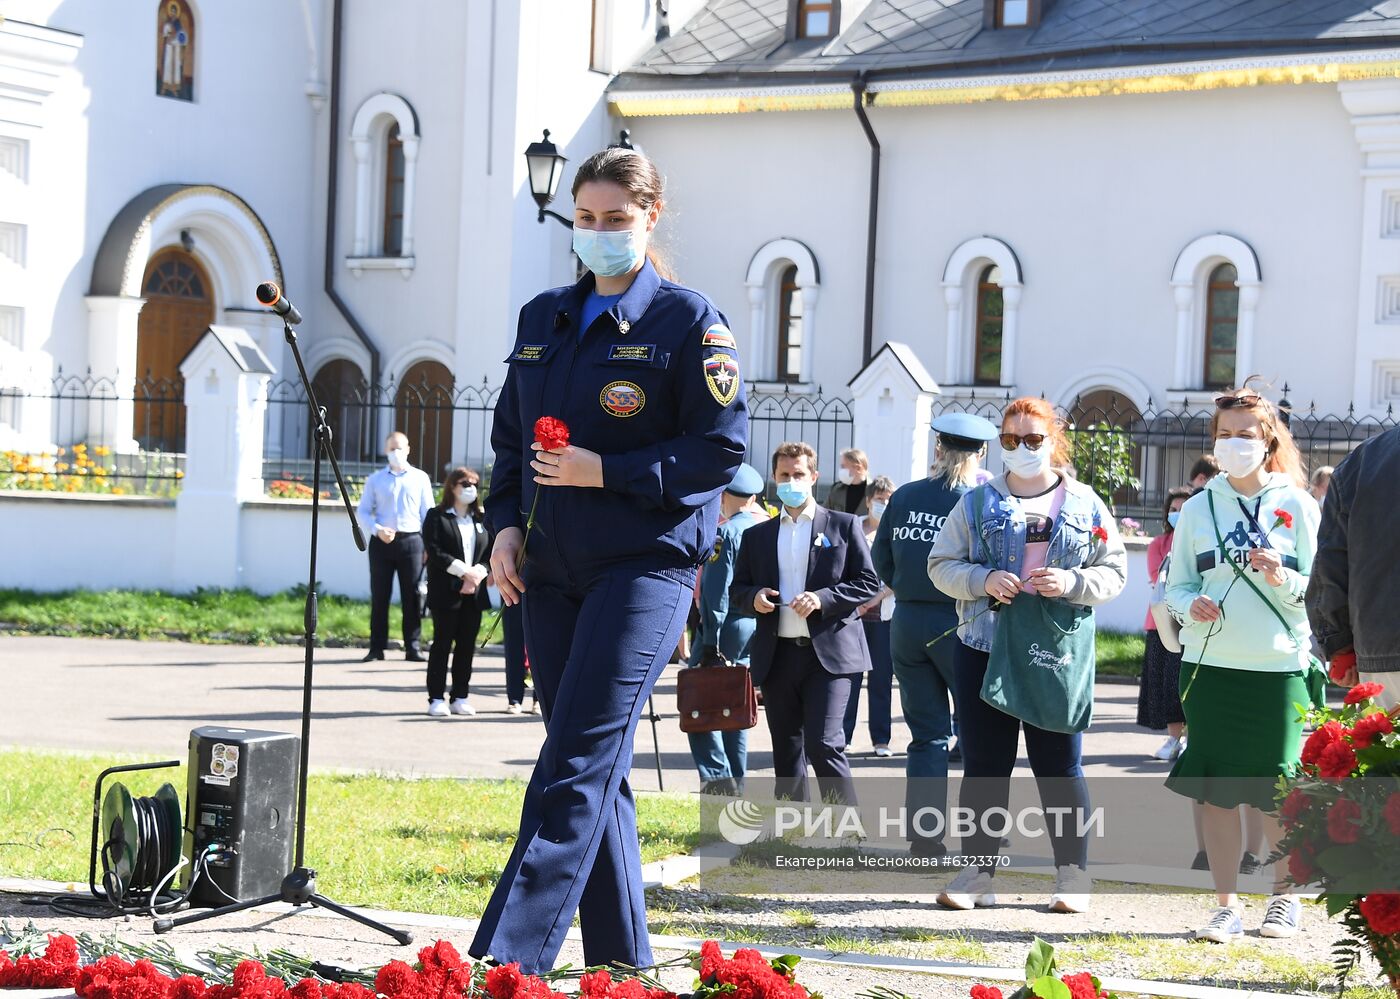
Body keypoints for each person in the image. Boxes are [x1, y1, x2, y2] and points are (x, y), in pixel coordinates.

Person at [469, 147, 747, 976]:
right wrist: (504, 527)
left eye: (615, 220)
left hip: (645, 567)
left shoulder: (691, 324)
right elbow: (511, 440)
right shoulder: (542, 318)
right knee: (597, 763)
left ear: (650, 217)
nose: (597, 233)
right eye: (584, 219)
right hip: (550, 568)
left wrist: (610, 469)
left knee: (578, 758)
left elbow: (719, 452)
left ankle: (506, 960)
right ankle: (625, 966)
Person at [928, 396, 1127, 915]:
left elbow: (1115, 572)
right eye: (1010, 440)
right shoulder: (975, 502)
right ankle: (978, 873)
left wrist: (1073, 581)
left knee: (1059, 766)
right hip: (984, 647)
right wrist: (982, 579)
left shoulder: (1084, 503)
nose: (1020, 448)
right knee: (985, 767)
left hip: (1055, 653)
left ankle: (1071, 875)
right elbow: (940, 564)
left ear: (1053, 439)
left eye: (1033, 439)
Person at [1164, 385, 1319, 943]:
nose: (1234, 444)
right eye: (1224, 435)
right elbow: (1174, 584)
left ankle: (1285, 899)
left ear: (1267, 439)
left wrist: (1284, 577)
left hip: (1279, 669)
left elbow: (1321, 593)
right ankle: (1225, 906)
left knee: (1281, 787)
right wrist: (1189, 605)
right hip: (1211, 667)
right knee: (1216, 789)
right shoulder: (1200, 507)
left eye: (1244, 435)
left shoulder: (1298, 505)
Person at [872, 411, 999, 860]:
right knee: (981, 733)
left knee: (926, 736)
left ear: (938, 450)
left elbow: (881, 559)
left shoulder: (904, 496)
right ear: (981, 453)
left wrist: (908, 587)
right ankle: (982, 836)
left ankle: (925, 840)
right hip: (960, 622)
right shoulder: (982, 501)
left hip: (906, 622)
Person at [730, 441, 881, 805]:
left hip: (829, 655)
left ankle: (846, 831)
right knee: (786, 749)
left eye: (799, 474)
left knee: (824, 742)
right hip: (778, 654)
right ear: (774, 478)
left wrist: (822, 598)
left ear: (813, 477)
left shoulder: (843, 526)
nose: (791, 481)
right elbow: (737, 590)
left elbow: (868, 583)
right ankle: (793, 831)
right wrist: (754, 598)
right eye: (784, 475)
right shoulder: (757, 535)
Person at [686, 462, 769, 796]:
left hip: (727, 627)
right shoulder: (767, 526)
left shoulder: (727, 532)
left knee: (699, 702)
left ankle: (717, 777)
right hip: (757, 625)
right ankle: (737, 777)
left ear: (723, 495)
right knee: (737, 706)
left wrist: (710, 640)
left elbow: (716, 592)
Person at [1308, 425, 1400, 712]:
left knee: (1386, 753)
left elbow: (1331, 562)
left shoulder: (1362, 462)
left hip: (1383, 651)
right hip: (1382, 649)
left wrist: (1340, 645)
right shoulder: (1360, 463)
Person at [356, 431, 434, 663]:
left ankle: (412, 647)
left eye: (399, 448)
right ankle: (376, 648)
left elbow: (428, 513)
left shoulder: (420, 478)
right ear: (385, 451)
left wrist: (428, 544)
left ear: (409, 449)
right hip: (382, 542)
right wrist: (377, 529)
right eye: (391, 448)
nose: (396, 453)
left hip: (411, 542)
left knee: (412, 596)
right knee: (380, 596)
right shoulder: (375, 479)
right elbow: (362, 511)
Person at [422, 467, 492, 717]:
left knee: (466, 646)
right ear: (452, 486)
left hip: (474, 593)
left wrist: (477, 574)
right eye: (464, 483)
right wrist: (464, 572)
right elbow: (435, 549)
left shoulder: (481, 520)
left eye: (474, 483)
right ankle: (436, 697)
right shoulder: (436, 516)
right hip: (446, 592)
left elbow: (490, 553)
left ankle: (460, 696)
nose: (470, 487)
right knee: (442, 644)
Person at [1139, 487, 1194, 759]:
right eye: (1173, 509)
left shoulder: (1200, 540)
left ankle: (1193, 740)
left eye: (1184, 509)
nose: (1177, 514)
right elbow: (1157, 577)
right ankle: (1173, 739)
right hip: (1162, 623)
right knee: (1167, 682)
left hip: (1195, 621)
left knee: (1190, 684)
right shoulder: (1158, 544)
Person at [844, 475, 897, 756]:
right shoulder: (854, 528)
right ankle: (844, 736)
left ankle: (881, 740)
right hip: (854, 617)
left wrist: (872, 600)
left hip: (882, 618)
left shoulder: (895, 532)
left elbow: (898, 575)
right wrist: (857, 603)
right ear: (868, 500)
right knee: (849, 680)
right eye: (879, 499)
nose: (883, 504)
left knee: (881, 680)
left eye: (888, 499)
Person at [825, 448, 870, 517]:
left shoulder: (874, 491)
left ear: (858, 468)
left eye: (843, 466)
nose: (841, 470)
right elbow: (825, 513)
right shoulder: (837, 489)